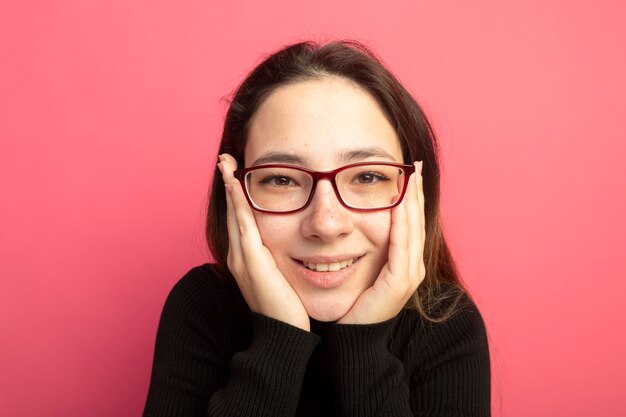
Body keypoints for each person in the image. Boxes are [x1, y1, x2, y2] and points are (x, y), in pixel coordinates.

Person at [143, 40, 491, 417]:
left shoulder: (445, 323)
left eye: (368, 176)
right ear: (234, 193)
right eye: (281, 180)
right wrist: (278, 339)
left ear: (414, 191)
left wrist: (366, 345)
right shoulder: (204, 307)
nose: (325, 224)